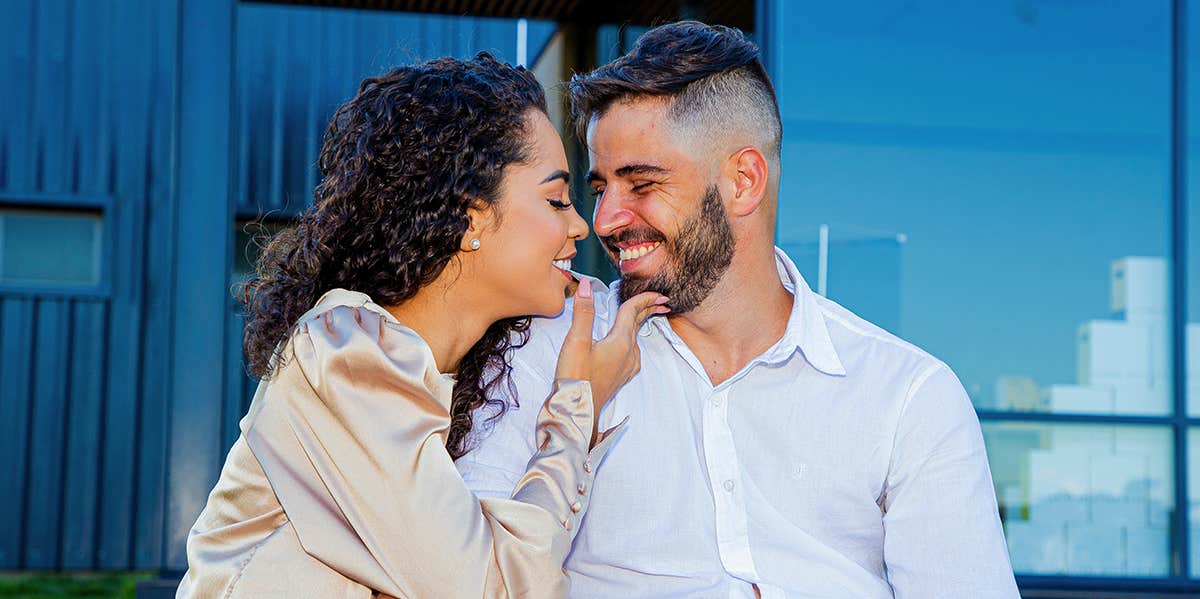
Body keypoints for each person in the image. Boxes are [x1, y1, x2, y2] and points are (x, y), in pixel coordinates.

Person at [457, 22, 1021, 598]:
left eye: (642, 184)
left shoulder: (909, 398)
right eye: (601, 188)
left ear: (743, 181)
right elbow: (467, 574)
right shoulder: (546, 345)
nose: (603, 220)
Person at [177, 52, 667, 599]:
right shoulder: (343, 355)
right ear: (470, 216)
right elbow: (491, 589)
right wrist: (578, 406)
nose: (581, 224)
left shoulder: (447, 375)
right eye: (555, 199)